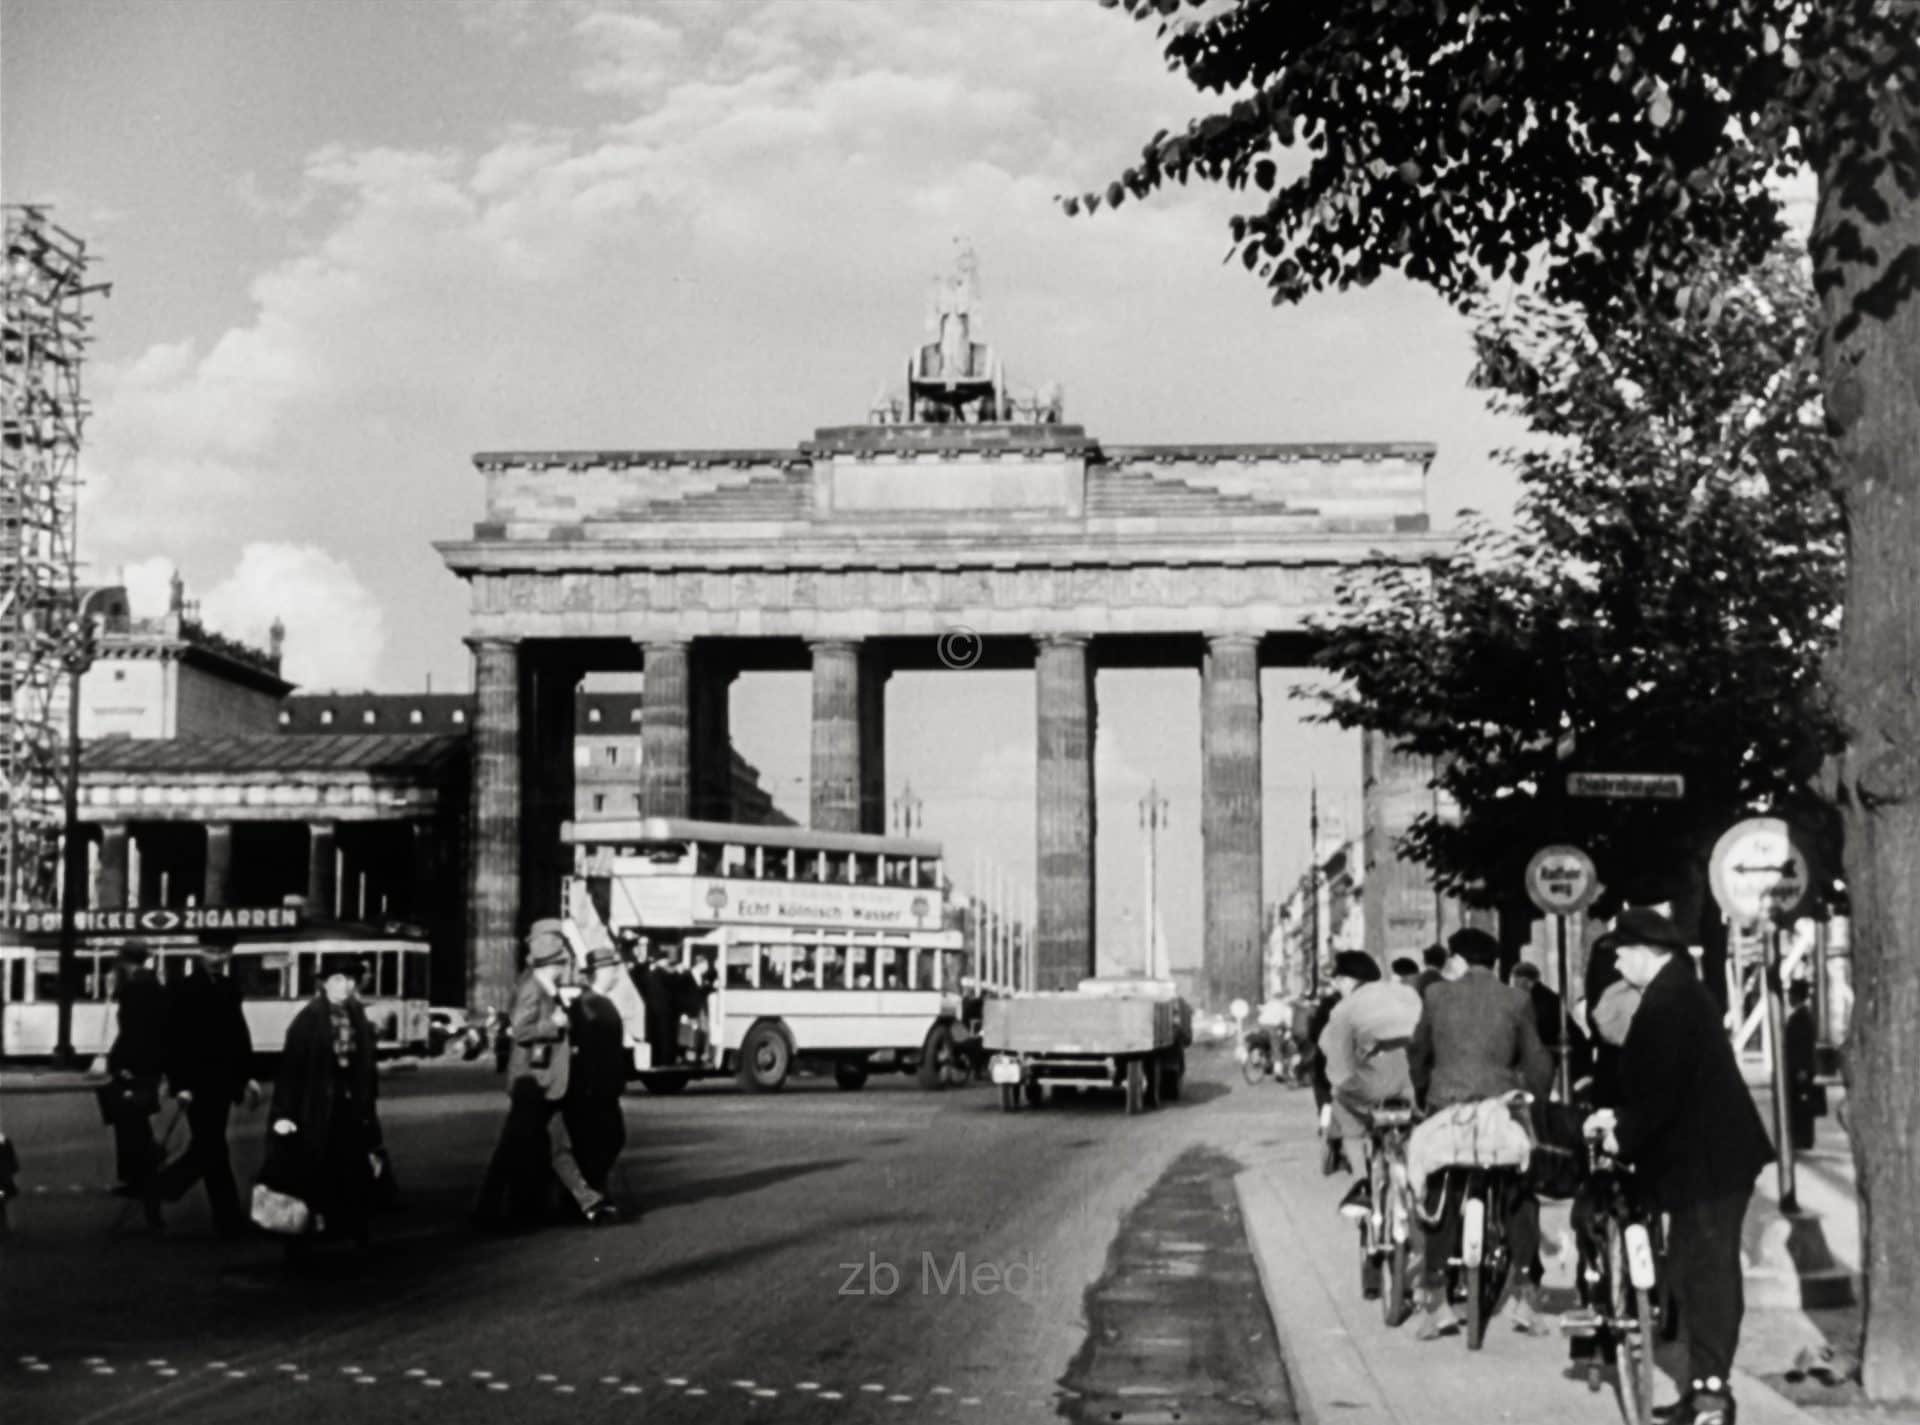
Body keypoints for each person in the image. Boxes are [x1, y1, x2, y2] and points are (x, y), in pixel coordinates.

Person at [1586, 908, 1774, 1425]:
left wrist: (1621, 1133)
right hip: (1704, 1156)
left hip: (1709, 1161)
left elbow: (1659, 1094)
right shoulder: (1675, 993)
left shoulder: (1668, 1003)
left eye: (1622, 950)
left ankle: (1713, 1396)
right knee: (1694, 1271)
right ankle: (1703, 1389)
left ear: (1647, 950)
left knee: (1708, 1274)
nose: (1617, 959)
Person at [1408, 927, 1555, 1339]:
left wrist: (1422, 1093)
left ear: (1455, 960)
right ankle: (1526, 1294)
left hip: (1447, 1106)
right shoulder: (1517, 998)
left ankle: (1436, 1300)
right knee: (1518, 1188)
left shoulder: (1436, 996)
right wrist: (1537, 1101)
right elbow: (1537, 1059)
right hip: (1499, 1106)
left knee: (1440, 1189)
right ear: (1496, 964)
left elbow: (1419, 1051)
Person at [475, 921, 615, 1229]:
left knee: (552, 1147)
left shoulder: (544, 987)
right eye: (563, 960)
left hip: (545, 1082)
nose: (566, 966)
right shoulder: (533, 990)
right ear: (553, 963)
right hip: (533, 1084)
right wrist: (555, 1025)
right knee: (520, 1150)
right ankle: (488, 1212)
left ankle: (587, 1201)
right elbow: (521, 1030)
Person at [269, 953, 383, 1246]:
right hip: (317, 1109)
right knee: (318, 1173)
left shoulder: (358, 1017)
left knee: (351, 1173)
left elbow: (366, 1071)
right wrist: (284, 1114)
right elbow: (291, 1070)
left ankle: (348, 1235)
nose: (344, 986)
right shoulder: (307, 1021)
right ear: (324, 984)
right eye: (337, 980)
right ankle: (318, 1237)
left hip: (350, 1107)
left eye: (349, 980)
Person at [159, 940, 260, 1237]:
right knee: (213, 1146)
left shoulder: (229, 987)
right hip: (198, 1081)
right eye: (211, 951)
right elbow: (174, 1039)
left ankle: (163, 1187)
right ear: (199, 953)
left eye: (222, 951)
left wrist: (247, 1076)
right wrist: (181, 1084)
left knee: (208, 1146)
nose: (217, 957)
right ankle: (226, 1217)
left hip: (222, 1081)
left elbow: (239, 1035)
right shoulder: (183, 989)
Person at [1318, 951, 1423, 1211]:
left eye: (1339, 980)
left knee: (1342, 1104)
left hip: (1376, 1079)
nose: (1338, 987)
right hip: (1414, 1076)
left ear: (1350, 980)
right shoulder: (1406, 994)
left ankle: (1362, 1182)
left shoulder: (1346, 1008)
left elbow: (1328, 1048)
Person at [104, 942, 169, 1231]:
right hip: (149, 1065)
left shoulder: (133, 989)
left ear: (126, 961)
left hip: (134, 1066)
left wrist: (118, 1062)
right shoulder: (155, 986)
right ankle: (140, 1178)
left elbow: (131, 1030)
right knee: (135, 1120)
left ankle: (142, 1180)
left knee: (131, 1123)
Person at [564, 946, 631, 1198]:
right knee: (601, 1141)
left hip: (604, 1086)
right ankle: (589, 1194)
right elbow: (586, 1050)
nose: (616, 974)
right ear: (601, 972)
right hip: (594, 1088)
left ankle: (593, 1191)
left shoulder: (595, 1002)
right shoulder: (590, 1004)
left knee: (609, 1138)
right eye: (613, 969)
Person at [1784, 980, 1820, 1153]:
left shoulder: (1800, 1018)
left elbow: (1802, 1046)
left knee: (1800, 1104)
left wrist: (1802, 1069)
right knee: (1801, 1104)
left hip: (1799, 1069)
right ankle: (1802, 1138)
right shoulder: (1804, 1017)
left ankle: (1801, 1138)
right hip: (1800, 1068)